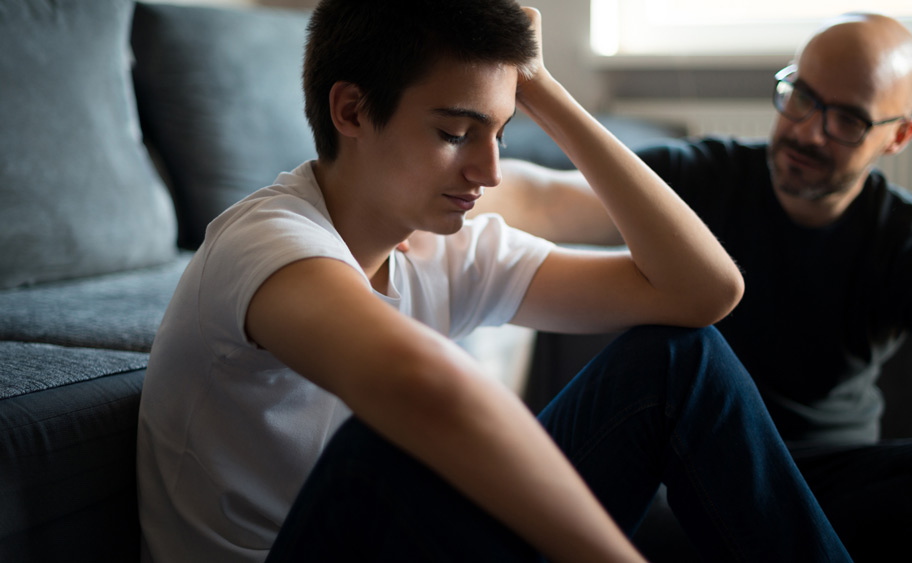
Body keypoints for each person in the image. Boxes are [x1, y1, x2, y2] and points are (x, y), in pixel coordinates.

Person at [135, 1, 855, 562]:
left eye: (500, 133)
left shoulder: (449, 247)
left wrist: (543, 88)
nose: (489, 172)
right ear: (350, 109)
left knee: (680, 362)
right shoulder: (268, 242)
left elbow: (705, 292)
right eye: (455, 132)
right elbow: (425, 387)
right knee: (392, 440)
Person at [477, 12, 912, 563]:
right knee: (678, 361)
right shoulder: (709, 176)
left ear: (898, 136)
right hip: (686, 479)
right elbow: (546, 199)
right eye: (800, 96)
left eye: (846, 119)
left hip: (824, 487)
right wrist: (437, 182)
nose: (806, 131)